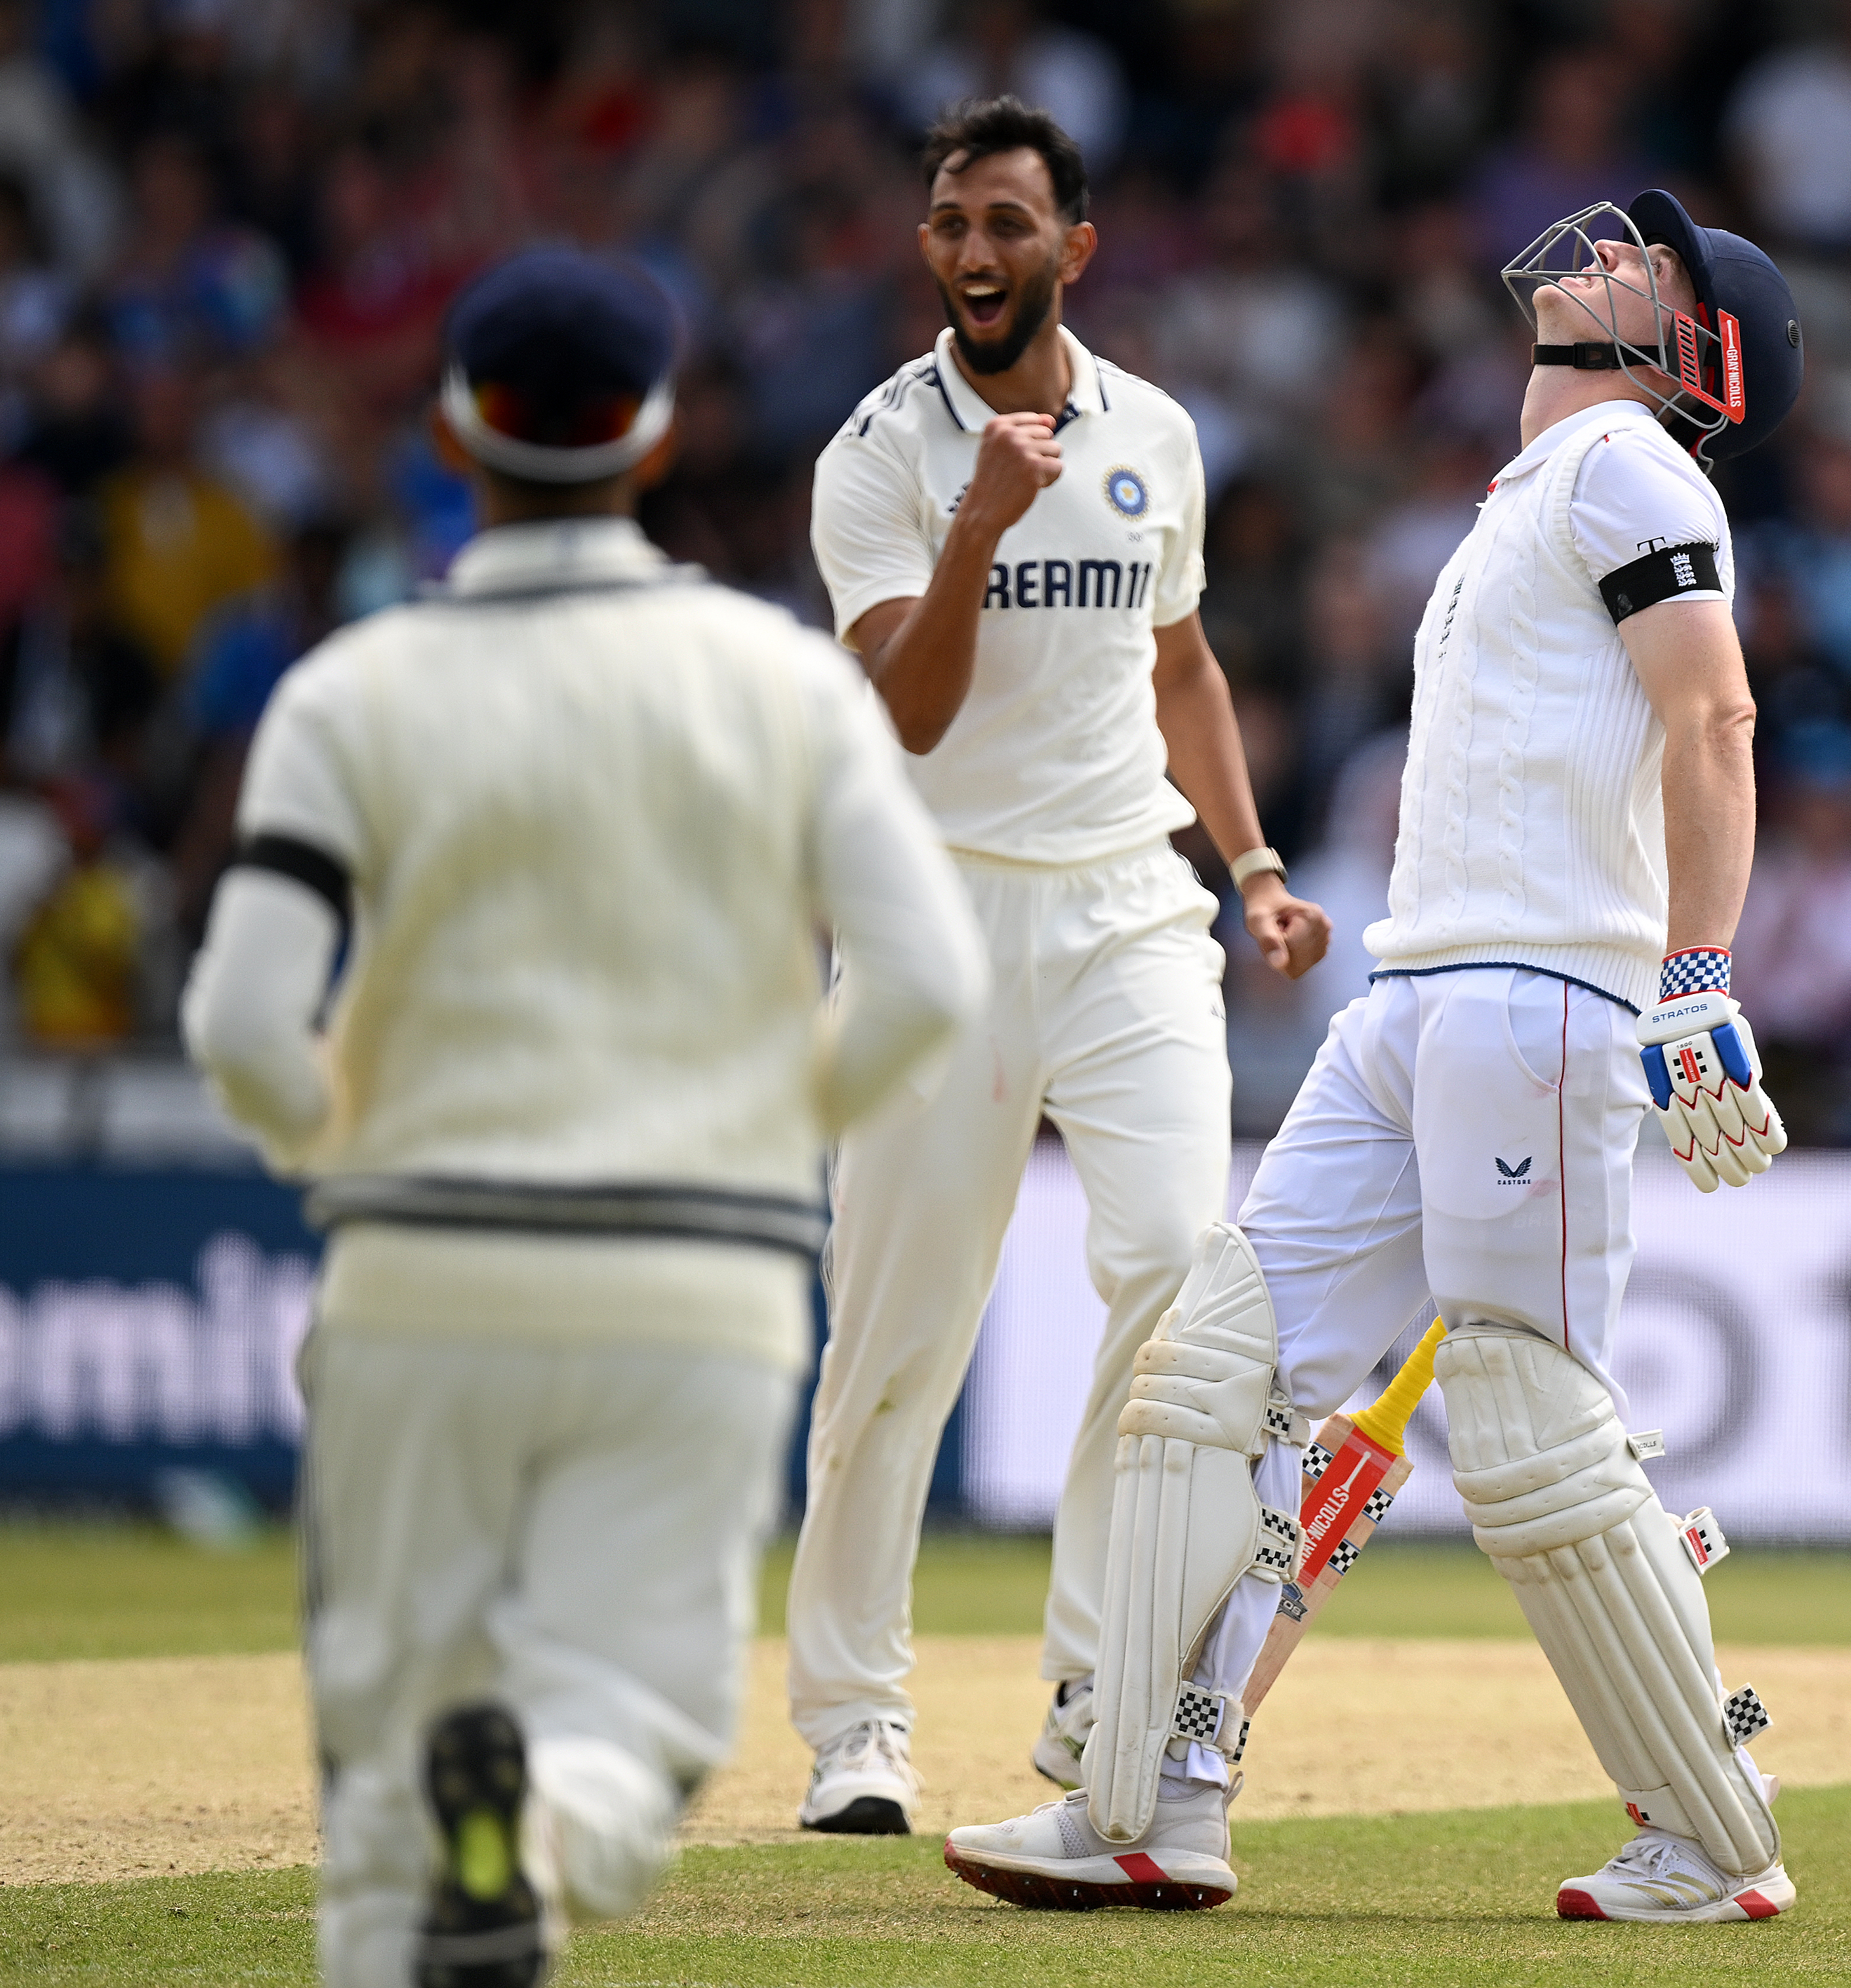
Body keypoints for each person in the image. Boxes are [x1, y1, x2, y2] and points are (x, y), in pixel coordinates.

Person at [944, 189, 1810, 1922]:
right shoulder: (1527, 494)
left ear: (1690, 349)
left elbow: (1711, 713)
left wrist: (1696, 970)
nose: (1606, 251)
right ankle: (1153, 1796)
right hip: (1418, 997)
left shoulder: (1636, 464)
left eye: (1653, 261)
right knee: (1216, 1365)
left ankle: (1713, 1831)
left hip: (1540, 993)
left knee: (1521, 1412)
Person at [182, 248, 981, 1988]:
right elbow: (926, 982)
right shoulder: (774, 679)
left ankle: (464, 1842)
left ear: (457, 431)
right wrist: (758, 1125)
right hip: (692, 1274)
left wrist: (352, 1155)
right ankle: (547, 1819)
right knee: (639, 1715)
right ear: (655, 434)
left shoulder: (351, 688)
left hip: (417, 1268)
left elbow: (240, 1022)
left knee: (382, 1794)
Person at [790, 96, 1331, 1834]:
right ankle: (856, 1727)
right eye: (950, 222)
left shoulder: (1154, 433)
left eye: (1007, 223)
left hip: (1124, 902)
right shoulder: (876, 456)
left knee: (1178, 1267)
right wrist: (971, 527)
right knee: (893, 1332)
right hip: (932, 915)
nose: (972, 252)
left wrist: (1246, 862)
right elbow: (905, 712)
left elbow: (1182, 673)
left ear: (1072, 248)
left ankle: (1097, 1669)